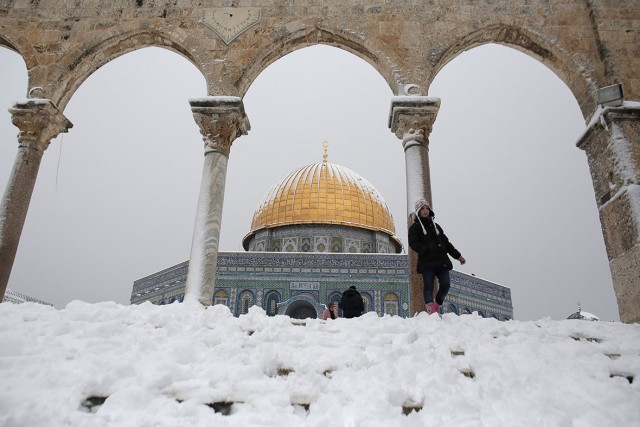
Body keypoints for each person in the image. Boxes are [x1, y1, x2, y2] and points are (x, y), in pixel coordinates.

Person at [408, 198, 466, 315]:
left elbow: (447, 243)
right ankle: (430, 309)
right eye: (422, 209)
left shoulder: (436, 227)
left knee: (446, 284)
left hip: (441, 261)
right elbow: (413, 242)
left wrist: (458, 256)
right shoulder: (415, 228)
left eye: (427, 208)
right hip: (427, 261)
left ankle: (437, 304)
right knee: (428, 285)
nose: (425, 211)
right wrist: (423, 249)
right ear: (418, 211)